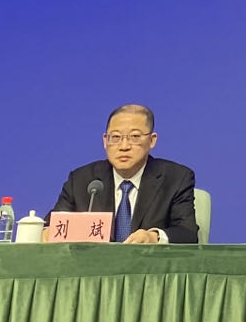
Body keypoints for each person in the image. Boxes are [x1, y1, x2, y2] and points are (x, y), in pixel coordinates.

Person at [50, 103, 198, 243]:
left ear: (152, 140)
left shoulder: (176, 178)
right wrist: (44, 231)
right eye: (115, 137)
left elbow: (188, 232)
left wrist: (153, 237)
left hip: (149, 261)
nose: (124, 146)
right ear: (105, 141)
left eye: (135, 137)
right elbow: (52, 225)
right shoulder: (82, 180)